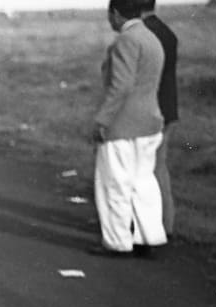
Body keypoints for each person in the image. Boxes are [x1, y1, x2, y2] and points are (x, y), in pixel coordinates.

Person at [89, 0, 167, 258]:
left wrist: (103, 119)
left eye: (110, 14)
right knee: (144, 181)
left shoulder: (125, 41)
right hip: (151, 123)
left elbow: (120, 87)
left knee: (115, 185)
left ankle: (118, 242)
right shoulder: (152, 39)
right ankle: (149, 237)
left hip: (123, 125)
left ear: (117, 14)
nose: (109, 20)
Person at [139, 0, 178, 239]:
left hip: (151, 109)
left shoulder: (143, 34)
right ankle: (166, 223)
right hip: (169, 107)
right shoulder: (168, 33)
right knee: (159, 166)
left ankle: (152, 226)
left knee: (145, 169)